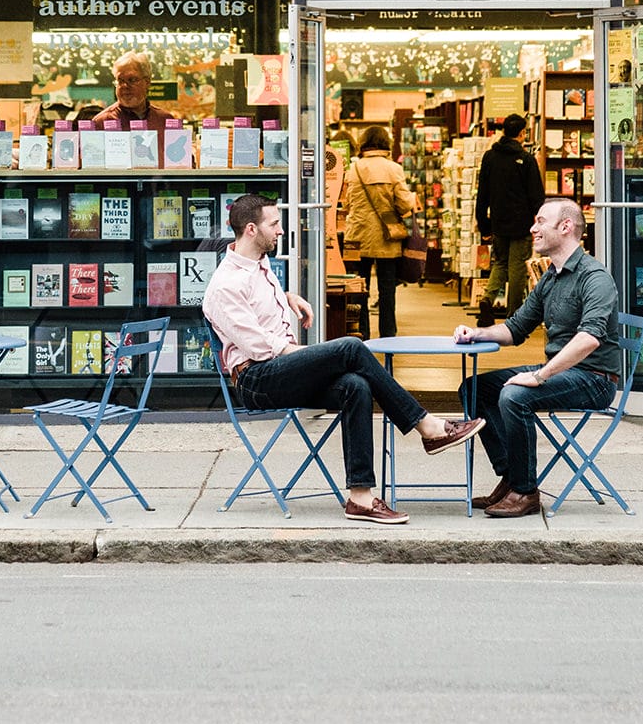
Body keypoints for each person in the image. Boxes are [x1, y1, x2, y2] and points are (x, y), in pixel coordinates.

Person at [202, 193, 480, 525]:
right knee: (349, 348)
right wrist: (318, 356)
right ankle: (427, 426)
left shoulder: (258, 262)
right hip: (257, 379)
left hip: (279, 370)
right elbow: (262, 348)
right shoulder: (224, 287)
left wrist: (286, 297)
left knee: (355, 384)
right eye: (274, 224)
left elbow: (256, 304)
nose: (280, 231)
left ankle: (360, 497)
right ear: (251, 229)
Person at [453, 198, 623, 519]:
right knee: (475, 388)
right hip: (561, 372)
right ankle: (511, 476)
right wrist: (477, 333)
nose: (533, 228)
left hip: (593, 378)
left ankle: (526, 492)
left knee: (515, 395)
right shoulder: (551, 277)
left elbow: (589, 339)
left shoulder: (594, 277)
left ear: (566, 227)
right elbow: (516, 328)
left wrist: (540, 375)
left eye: (540, 221)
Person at [338, 126, 419, 339]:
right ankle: (388, 334)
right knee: (387, 290)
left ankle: (361, 332)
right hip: (387, 237)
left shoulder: (353, 169)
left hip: (357, 235)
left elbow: (347, 203)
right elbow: (403, 205)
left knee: (358, 288)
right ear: (386, 143)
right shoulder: (394, 169)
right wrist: (412, 199)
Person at [472, 114, 544, 326]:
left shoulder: (489, 157)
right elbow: (536, 196)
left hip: (498, 222)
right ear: (522, 134)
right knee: (518, 269)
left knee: (501, 263)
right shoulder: (526, 160)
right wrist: (539, 223)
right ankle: (514, 316)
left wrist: (483, 223)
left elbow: (482, 193)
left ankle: (487, 299)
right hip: (521, 224)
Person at [84, 50, 160, 126]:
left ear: (147, 82)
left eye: (132, 80)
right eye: (120, 81)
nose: (124, 86)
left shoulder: (164, 120)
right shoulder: (100, 123)